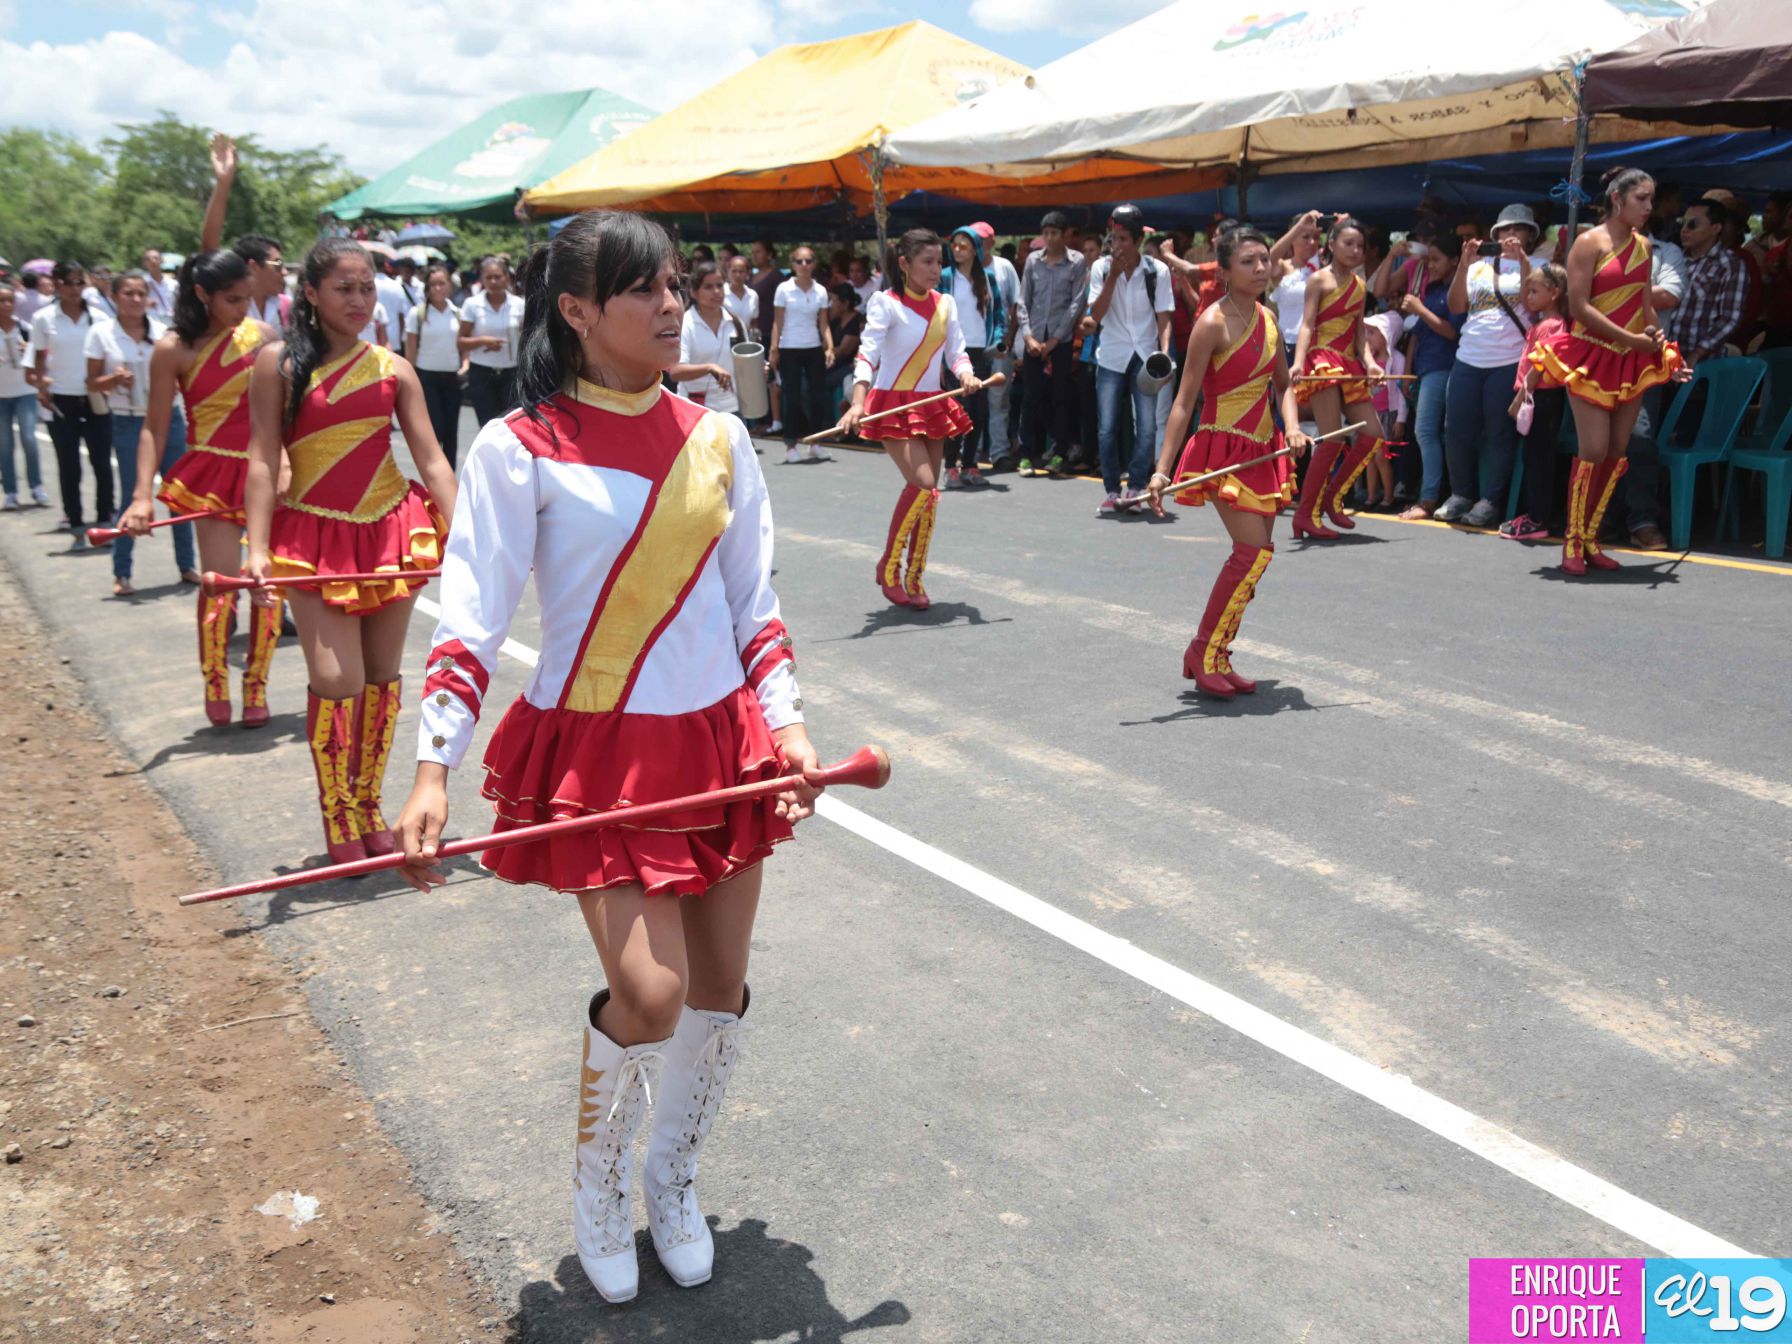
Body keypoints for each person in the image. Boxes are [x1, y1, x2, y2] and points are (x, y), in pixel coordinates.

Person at [392, 211, 822, 1307]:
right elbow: (472, 616)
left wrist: (788, 725)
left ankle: (670, 1180)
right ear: (575, 311)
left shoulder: (718, 437)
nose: (673, 305)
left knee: (718, 990)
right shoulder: (516, 447)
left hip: (717, 739)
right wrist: (434, 764)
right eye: (644, 291)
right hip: (598, 751)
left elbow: (750, 603)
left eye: (677, 284)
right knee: (652, 991)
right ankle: (597, 1182)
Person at [243, 238, 455, 862]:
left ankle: (367, 804)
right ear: (310, 293)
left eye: (367, 288)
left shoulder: (394, 369)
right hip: (314, 536)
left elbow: (433, 459)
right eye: (344, 288)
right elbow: (261, 459)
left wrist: (471, 532)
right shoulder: (278, 365)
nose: (359, 300)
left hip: (390, 530)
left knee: (384, 679)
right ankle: (336, 812)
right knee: (339, 678)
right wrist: (258, 548)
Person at [1144, 228, 1308, 698]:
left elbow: (1284, 386)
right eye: (1249, 262)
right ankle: (1202, 649)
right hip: (1222, 448)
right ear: (1225, 270)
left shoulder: (1270, 317)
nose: (1261, 268)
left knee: (1256, 558)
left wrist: (1294, 427)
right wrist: (1161, 470)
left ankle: (1216, 653)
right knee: (1251, 554)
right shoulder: (1211, 322)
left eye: (1264, 260)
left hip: (1263, 448)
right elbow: (1183, 400)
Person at [120, 249, 282, 726]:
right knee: (221, 585)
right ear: (201, 294)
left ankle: (257, 684)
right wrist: (141, 495)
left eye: (248, 298)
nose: (243, 310)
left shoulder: (264, 338)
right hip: (211, 476)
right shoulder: (174, 348)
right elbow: (153, 426)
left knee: (269, 583)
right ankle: (216, 678)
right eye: (232, 300)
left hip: (266, 473)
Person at [1529, 167, 1681, 576]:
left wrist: (1661, 347)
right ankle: (1572, 541)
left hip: (1630, 360)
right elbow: (1578, 307)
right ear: (1618, 198)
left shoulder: (1645, 247)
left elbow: (1644, 305)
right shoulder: (1587, 242)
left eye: (1651, 199)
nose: (1649, 207)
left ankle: (1592, 538)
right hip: (1590, 355)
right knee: (1593, 448)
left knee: (1617, 451)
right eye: (1641, 199)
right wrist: (1630, 340)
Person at [836, 228, 981, 609]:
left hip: (933, 402)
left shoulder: (945, 303)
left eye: (939, 262)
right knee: (922, 483)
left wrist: (965, 374)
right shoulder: (886, 303)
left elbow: (957, 352)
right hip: (892, 404)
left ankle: (915, 577)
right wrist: (857, 401)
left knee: (930, 496)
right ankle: (888, 568)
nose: (936, 270)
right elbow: (867, 354)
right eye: (927, 262)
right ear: (905, 264)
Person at [86, 271, 196, 595]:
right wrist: (113, 380)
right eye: (127, 294)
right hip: (128, 419)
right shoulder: (101, 333)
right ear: (115, 296)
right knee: (133, 494)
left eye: (139, 294)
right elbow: (90, 383)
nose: (134, 300)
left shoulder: (164, 333)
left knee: (179, 495)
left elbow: (185, 374)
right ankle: (122, 573)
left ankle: (187, 565)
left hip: (169, 419)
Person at [1438, 204, 1540, 528]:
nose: (1511, 236)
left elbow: (1531, 303)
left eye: (1519, 229)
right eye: (1505, 230)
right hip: (1469, 356)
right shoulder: (1479, 267)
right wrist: (1464, 265)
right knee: (1456, 429)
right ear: (1494, 236)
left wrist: (1522, 261)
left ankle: (1490, 501)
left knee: (1499, 432)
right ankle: (1461, 494)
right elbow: (1456, 306)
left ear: (1530, 235)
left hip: (1508, 358)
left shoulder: (1538, 265)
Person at [1289, 218, 1386, 540]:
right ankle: (1305, 514)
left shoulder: (1360, 285)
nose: (1356, 250)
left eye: (1360, 246)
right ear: (1331, 245)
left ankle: (1332, 497)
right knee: (1332, 438)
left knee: (1373, 435)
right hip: (1322, 362)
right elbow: (1306, 325)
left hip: (1350, 364)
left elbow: (1358, 334)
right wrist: (1299, 361)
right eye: (1348, 244)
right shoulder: (1318, 280)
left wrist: (1370, 362)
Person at [1083, 204, 1175, 516]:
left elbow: (1164, 317)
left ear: (1136, 240)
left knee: (1147, 426)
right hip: (1111, 353)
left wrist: (1164, 354)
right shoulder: (1100, 268)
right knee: (1107, 426)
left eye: (1123, 239)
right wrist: (1112, 277)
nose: (1117, 246)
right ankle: (1111, 489)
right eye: (1113, 239)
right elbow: (1094, 316)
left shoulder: (1157, 271)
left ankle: (1136, 486)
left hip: (1146, 355)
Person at [31, 261, 113, 543]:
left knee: (102, 462)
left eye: (81, 282)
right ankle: (76, 522)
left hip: (95, 397)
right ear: (57, 285)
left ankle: (105, 520)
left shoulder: (99, 318)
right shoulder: (45, 318)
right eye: (70, 282)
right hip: (61, 399)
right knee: (69, 465)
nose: (76, 289)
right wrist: (41, 384)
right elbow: (38, 357)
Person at [1501, 263, 1571, 542]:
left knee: (1539, 460)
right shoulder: (1544, 323)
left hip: (1541, 397)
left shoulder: (1552, 325)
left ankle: (1538, 518)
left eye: (1534, 291)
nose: (1527, 296)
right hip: (1537, 397)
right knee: (1534, 458)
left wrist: (1519, 398)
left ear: (1554, 293)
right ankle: (1536, 514)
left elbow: (1540, 366)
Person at [1017, 211, 1089, 478]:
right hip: (1034, 337)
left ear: (1064, 235)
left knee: (1060, 396)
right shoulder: (1034, 261)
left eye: (1054, 233)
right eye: (1045, 233)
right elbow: (1023, 300)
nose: (1049, 238)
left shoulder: (1076, 262)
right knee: (1030, 397)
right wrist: (1028, 336)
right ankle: (1026, 454)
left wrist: (1055, 339)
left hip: (1061, 339)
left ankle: (1059, 452)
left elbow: (1076, 303)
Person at [1395, 233, 1462, 519]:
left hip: (1444, 366)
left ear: (1455, 260)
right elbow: (1417, 337)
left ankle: (1429, 498)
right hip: (1424, 367)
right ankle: (1436, 494)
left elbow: (1451, 331)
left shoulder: (1455, 293)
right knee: (1431, 433)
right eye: (1429, 259)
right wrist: (1409, 373)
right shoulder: (1433, 289)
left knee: (1427, 431)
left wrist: (1419, 309)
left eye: (1436, 260)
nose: (1430, 265)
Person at [200, 135, 290, 329]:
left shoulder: (287, 307)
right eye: (277, 265)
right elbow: (209, 249)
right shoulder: (227, 307)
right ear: (253, 267)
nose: (285, 272)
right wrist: (223, 183)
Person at [939, 225, 1001, 488]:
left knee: (978, 411)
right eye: (954, 244)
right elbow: (936, 318)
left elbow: (998, 315)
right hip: (953, 351)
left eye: (963, 245)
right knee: (957, 410)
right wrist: (940, 357)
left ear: (975, 249)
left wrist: (998, 340)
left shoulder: (988, 278)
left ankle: (971, 464)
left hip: (980, 350)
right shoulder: (945, 277)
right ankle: (950, 465)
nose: (957, 249)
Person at [770, 245, 833, 464]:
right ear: (793, 264)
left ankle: (816, 443)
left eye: (808, 261)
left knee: (818, 397)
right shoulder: (783, 289)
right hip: (789, 347)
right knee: (792, 397)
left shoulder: (821, 291)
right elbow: (778, 323)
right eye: (799, 261)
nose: (804, 265)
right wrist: (774, 348)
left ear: (814, 264)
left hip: (813, 347)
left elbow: (824, 324)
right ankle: (790, 445)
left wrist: (830, 347)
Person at [1671, 199, 1749, 368]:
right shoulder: (1675, 258)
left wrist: (1697, 353)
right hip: (1662, 357)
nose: (1684, 230)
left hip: (1701, 364)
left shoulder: (1731, 265)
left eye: (1692, 224)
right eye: (1682, 223)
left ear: (1715, 228)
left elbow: (1730, 318)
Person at [405, 264, 463, 466]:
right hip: (427, 378)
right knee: (435, 428)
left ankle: (451, 478)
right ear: (427, 288)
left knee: (451, 432)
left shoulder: (457, 313)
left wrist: (464, 366)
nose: (438, 288)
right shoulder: (418, 314)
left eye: (442, 283)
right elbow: (410, 350)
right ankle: (434, 476)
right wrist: (408, 379)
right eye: (433, 284)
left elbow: (463, 346)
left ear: (449, 285)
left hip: (451, 377)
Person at [973, 223, 1020, 469]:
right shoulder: (960, 271)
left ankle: (999, 452)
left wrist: (1010, 337)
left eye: (982, 241)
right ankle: (971, 449)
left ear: (992, 242)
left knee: (998, 398)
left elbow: (1015, 304)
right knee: (972, 398)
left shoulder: (1004, 267)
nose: (979, 246)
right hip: (971, 345)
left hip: (999, 342)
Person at [671, 260, 744, 415]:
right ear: (694, 292)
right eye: (708, 287)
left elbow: (744, 361)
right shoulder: (685, 324)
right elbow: (675, 371)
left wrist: (759, 368)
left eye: (719, 285)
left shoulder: (735, 323)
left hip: (732, 409)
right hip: (694, 410)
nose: (716, 291)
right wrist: (709, 368)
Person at [458, 256, 522, 426]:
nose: (494, 281)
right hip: (482, 372)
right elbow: (461, 341)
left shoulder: (519, 305)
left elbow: (528, 337)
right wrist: (482, 341)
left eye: (498, 277)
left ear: (507, 278)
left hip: (512, 373)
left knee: (513, 425)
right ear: (482, 280)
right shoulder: (472, 304)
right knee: (487, 425)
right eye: (489, 277)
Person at [0, 284, 48, 510]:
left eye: (9, 300)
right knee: (4, 444)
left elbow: (42, 355)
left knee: (29, 438)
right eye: (2, 300)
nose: (6, 305)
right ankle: (10, 491)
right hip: (1, 396)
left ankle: (36, 486)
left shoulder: (25, 328)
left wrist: (27, 348)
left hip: (25, 391)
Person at [1270, 210, 1325, 363]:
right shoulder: (1282, 267)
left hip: (1318, 345)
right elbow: (1268, 259)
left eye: (1315, 237)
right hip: (1287, 345)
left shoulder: (1325, 269)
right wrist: (1299, 226)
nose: (1312, 242)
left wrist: (1340, 224)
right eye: (1305, 237)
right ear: (1293, 238)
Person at [823, 282, 864, 402]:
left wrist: (827, 350)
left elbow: (842, 351)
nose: (831, 305)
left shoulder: (856, 322)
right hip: (835, 364)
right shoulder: (836, 321)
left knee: (824, 381)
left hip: (850, 366)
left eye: (834, 301)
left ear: (845, 304)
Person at [722, 255, 760, 336]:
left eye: (741, 271)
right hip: (724, 341)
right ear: (728, 272)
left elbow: (753, 322)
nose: (738, 275)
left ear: (747, 273)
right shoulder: (721, 294)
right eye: (734, 271)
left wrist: (755, 335)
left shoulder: (753, 295)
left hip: (745, 343)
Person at [141, 249, 177, 316]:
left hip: (171, 320)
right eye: (148, 259)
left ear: (162, 261)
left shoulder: (173, 283)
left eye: (156, 258)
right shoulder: (141, 283)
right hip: (151, 320)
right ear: (145, 263)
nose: (153, 261)